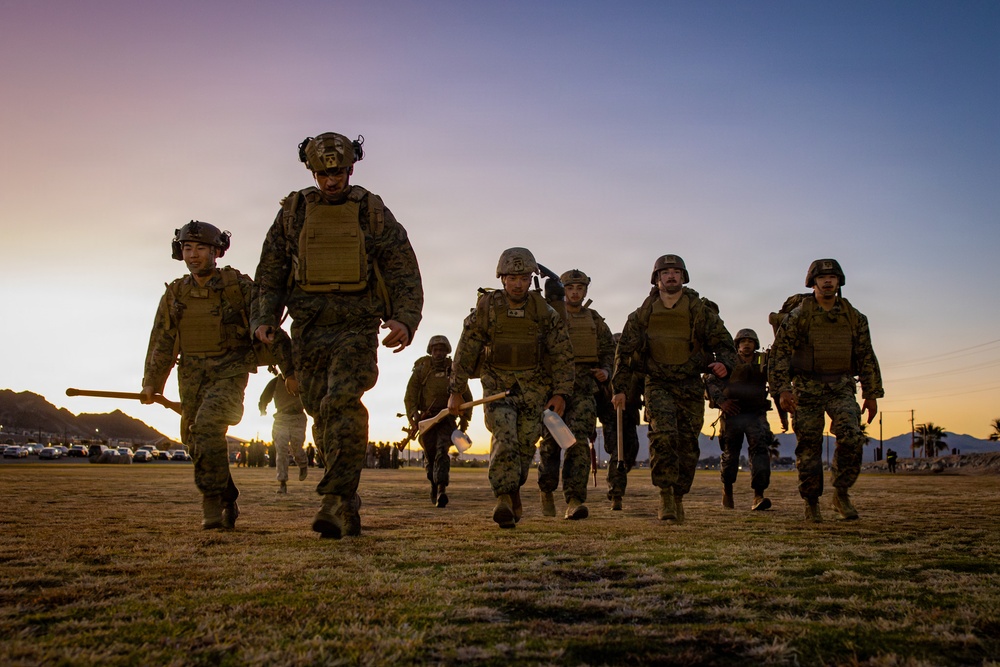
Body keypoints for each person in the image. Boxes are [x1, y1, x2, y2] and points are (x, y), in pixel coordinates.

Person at [252, 132, 423, 539]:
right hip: (308, 327)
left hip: (356, 325)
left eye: (339, 171)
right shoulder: (293, 213)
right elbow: (270, 272)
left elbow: (402, 266)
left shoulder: (372, 212)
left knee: (343, 402)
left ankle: (333, 499)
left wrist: (404, 319)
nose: (332, 180)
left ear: (351, 167)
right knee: (319, 410)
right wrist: (264, 318)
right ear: (312, 172)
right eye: (323, 173)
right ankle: (347, 501)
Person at [141, 221, 258, 530]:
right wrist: (152, 383)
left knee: (206, 428)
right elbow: (161, 340)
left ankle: (212, 501)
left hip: (230, 373)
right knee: (195, 440)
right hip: (191, 375)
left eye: (200, 249)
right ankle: (226, 496)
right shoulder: (177, 293)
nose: (193, 255)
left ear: (216, 251)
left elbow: (266, 327)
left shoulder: (238, 287)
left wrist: (289, 372)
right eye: (187, 248)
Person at [448, 248, 574, 528]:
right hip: (498, 385)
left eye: (524, 278)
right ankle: (503, 498)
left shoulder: (544, 312)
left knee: (525, 447)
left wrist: (560, 393)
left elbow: (562, 353)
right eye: (512, 277)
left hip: (534, 389)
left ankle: (514, 491)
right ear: (502, 278)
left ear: (531, 280)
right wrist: (456, 389)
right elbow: (466, 348)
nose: (518, 283)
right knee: (504, 439)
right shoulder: (487, 308)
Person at [611, 254, 737, 523]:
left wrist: (724, 364)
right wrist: (620, 388)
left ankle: (679, 495)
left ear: (683, 277)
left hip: (690, 383)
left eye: (676, 272)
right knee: (664, 437)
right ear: (656, 279)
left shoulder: (700, 311)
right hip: (657, 383)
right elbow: (624, 352)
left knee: (688, 444)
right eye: (665, 272)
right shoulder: (642, 315)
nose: (671, 276)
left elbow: (726, 344)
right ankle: (666, 496)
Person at [769, 259, 884, 522]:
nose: (828, 281)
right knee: (809, 446)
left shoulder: (854, 317)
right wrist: (783, 391)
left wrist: (871, 394)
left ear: (839, 281)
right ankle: (811, 502)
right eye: (823, 277)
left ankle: (841, 493)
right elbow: (780, 354)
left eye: (833, 277)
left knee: (852, 436)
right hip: (806, 387)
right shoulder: (799, 316)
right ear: (813, 282)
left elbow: (867, 356)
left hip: (841, 385)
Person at [537, 269, 615, 520]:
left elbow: (608, 350)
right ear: (564, 290)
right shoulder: (549, 315)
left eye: (580, 289)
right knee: (551, 445)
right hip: (552, 387)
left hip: (583, 388)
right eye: (570, 288)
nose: (575, 293)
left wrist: (605, 370)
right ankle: (546, 490)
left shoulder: (594, 320)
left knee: (578, 442)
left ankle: (574, 499)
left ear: (585, 291)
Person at [704, 328, 775, 511]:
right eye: (743, 341)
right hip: (732, 415)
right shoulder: (728, 361)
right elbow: (710, 382)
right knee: (730, 455)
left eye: (750, 341)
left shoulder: (762, 361)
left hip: (755, 414)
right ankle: (727, 490)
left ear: (755, 344)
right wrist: (722, 402)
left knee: (760, 452)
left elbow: (776, 379)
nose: (746, 344)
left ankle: (758, 495)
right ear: (737, 345)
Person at [405, 335, 472, 507]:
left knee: (442, 451)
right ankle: (433, 485)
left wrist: (465, 421)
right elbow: (410, 396)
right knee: (430, 454)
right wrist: (413, 416)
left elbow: (467, 397)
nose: (439, 353)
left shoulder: (454, 370)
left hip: (447, 418)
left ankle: (442, 489)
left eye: (442, 350)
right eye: (435, 350)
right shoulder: (422, 369)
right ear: (430, 351)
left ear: (447, 351)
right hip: (427, 419)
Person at [597, 332, 642, 511]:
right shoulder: (606, 369)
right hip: (610, 416)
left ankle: (617, 479)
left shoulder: (635, 368)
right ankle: (616, 493)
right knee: (618, 453)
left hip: (630, 415)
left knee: (630, 451)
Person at [258, 371, 308, 494]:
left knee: (297, 448)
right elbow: (265, 396)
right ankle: (282, 483)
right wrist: (262, 408)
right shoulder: (275, 382)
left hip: (298, 417)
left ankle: (302, 464)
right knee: (281, 451)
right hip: (281, 418)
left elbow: (312, 396)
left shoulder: (302, 380)